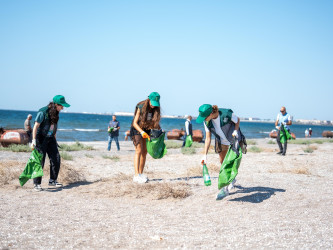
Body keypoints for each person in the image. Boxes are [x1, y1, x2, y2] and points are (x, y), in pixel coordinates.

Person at [196, 104, 245, 199]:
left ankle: (225, 189)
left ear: (211, 113)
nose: (204, 119)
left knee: (230, 163)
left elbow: (237, 120)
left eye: (205, 117)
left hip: (233, 140)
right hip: (221, 141)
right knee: (223, 163)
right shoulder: (206, 122)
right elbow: (208, 138)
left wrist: (235, 130)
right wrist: (205, 155)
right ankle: (231, 179)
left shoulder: (226, 114)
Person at [31, 95, 70, 191]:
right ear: (56, 104)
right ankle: (37, 184)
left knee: (56, 158)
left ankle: (53, 180)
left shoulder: (56, 112)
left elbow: (54, 127)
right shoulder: (43, 111)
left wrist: (55, 140)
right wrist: (33, 140)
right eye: (61, 106)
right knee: (40, 161)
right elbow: (36, 126)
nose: (63, 108)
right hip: (41, 138)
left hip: (51, 138)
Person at [130, 92, 161, 184]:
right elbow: (135, 123)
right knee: (138, 151)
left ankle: (140, 173)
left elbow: (155, 122)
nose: (153, 106)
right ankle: (136, 175)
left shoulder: (156, 109)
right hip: (137, 129)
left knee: (144, 152)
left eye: (155, 104)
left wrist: (159, 130)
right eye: (152, 104)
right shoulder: (140, 106)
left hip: (147, 129)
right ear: (149, 100)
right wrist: (142, 132)